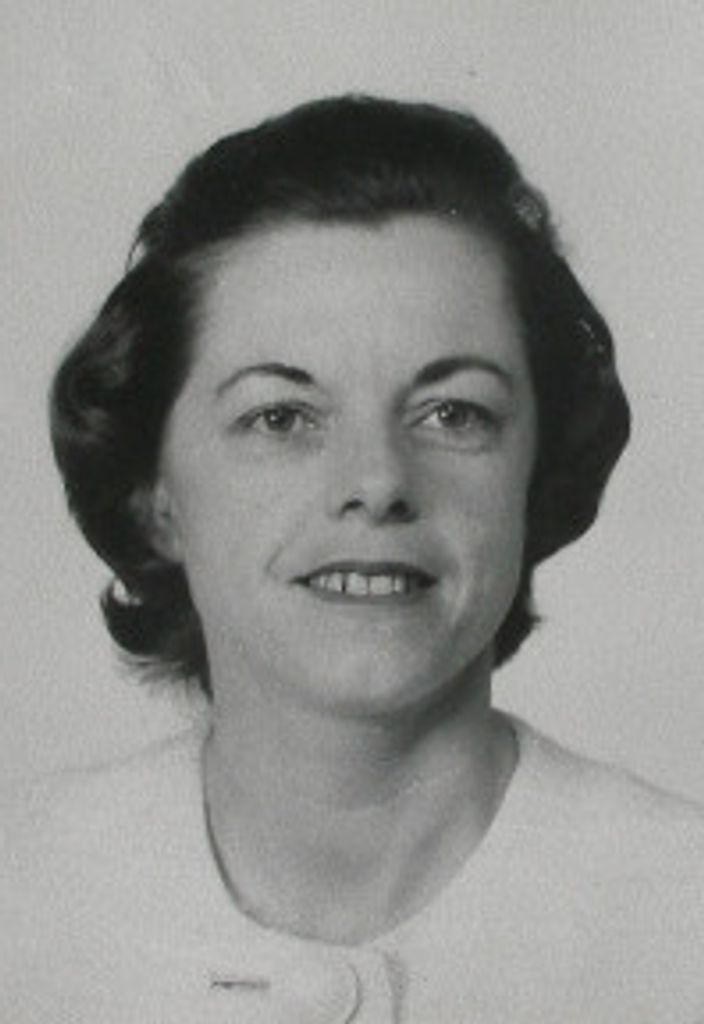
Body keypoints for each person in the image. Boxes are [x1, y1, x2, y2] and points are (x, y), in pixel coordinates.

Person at [2, 95, 703, 1023]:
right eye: (280, 417)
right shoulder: (24, 898)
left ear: (536, 476)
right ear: (155, 495)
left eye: (453, 413)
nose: (377, 482)